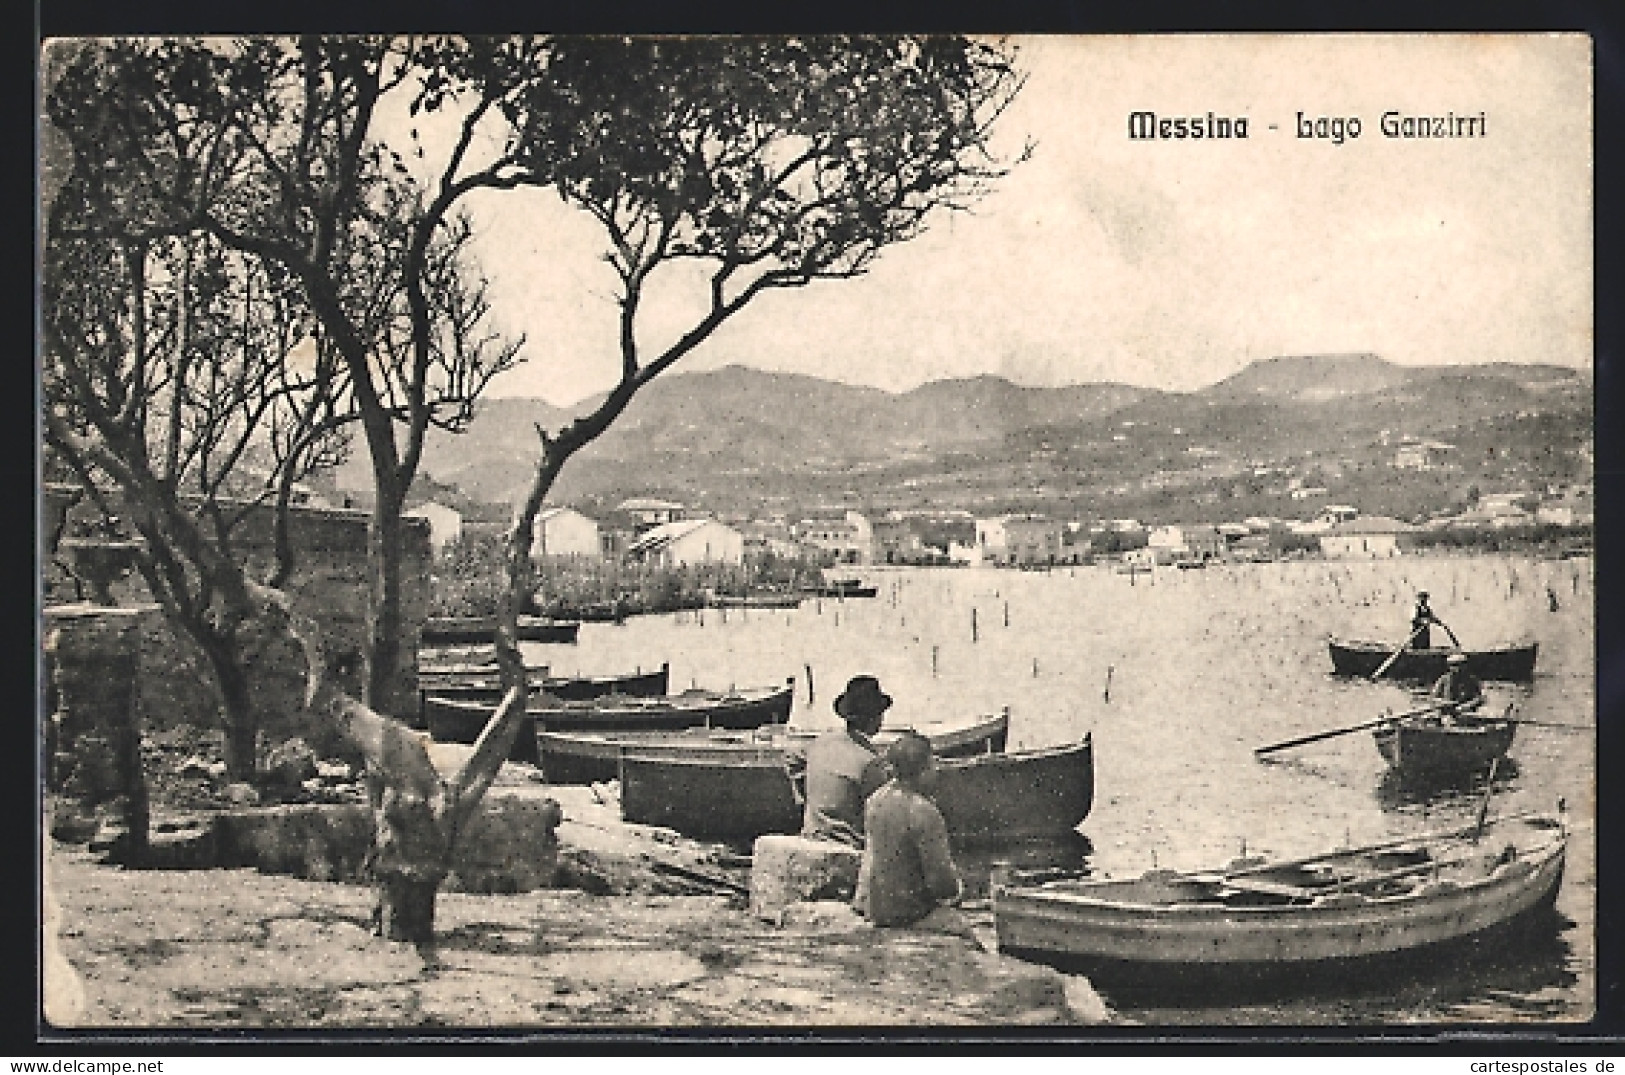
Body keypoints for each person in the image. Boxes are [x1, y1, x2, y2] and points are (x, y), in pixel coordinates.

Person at [854, 731, 963, 928]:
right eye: (932, 766)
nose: (936, 772)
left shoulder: (875, 801)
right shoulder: (924, 811)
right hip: (909, 915)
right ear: (922, 771)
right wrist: (958, 891)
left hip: (877, 912)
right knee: (964, 931)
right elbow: (942, 883)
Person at [785, 674, 893, 847]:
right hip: (847, 845)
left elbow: (791, 757)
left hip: (812, 836)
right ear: (875, 718)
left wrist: (803, 798)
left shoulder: (821, 742)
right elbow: (881, 816)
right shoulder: (869, 761)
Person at [1431, 652, 1485, 718]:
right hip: (1447, 712)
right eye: (1454, 665)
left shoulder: (1472, 680)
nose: (1457, 668)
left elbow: (1481, 697)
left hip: (1467, 712)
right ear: (1449, 667)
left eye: (1460, 665)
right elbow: (1434, 698)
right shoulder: (1443, 680)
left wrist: (1467, 706)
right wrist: (1446, 703)